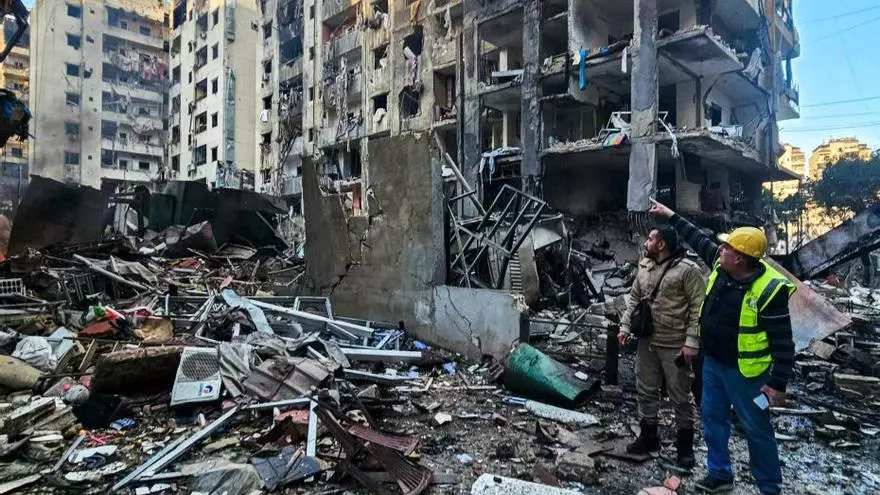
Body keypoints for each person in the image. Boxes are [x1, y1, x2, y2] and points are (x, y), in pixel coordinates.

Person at [649, 199, 795, 495]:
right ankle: (719, 474)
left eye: (727, 248)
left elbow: (783, 343)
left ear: (740, 258)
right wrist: (670, 215)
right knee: (713, 418)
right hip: (714, 364)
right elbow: (696, 237)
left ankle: (769, 487)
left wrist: (777, 384)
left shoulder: (770, 291)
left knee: (756, 428)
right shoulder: (722, 266)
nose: (721, 250)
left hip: (747, 374)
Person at [619, 227, 706, 468]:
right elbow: (633, 298)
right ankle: (648, 437)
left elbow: (698, 309)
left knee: (680, 395)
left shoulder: (688, 271)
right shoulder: (645, 266)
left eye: (650, 239)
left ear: (662, 244)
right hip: (647, 341)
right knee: (646, 390)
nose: (645, 242)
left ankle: (685, 447)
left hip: (675, 344)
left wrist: (692, 342)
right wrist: (625, 326)